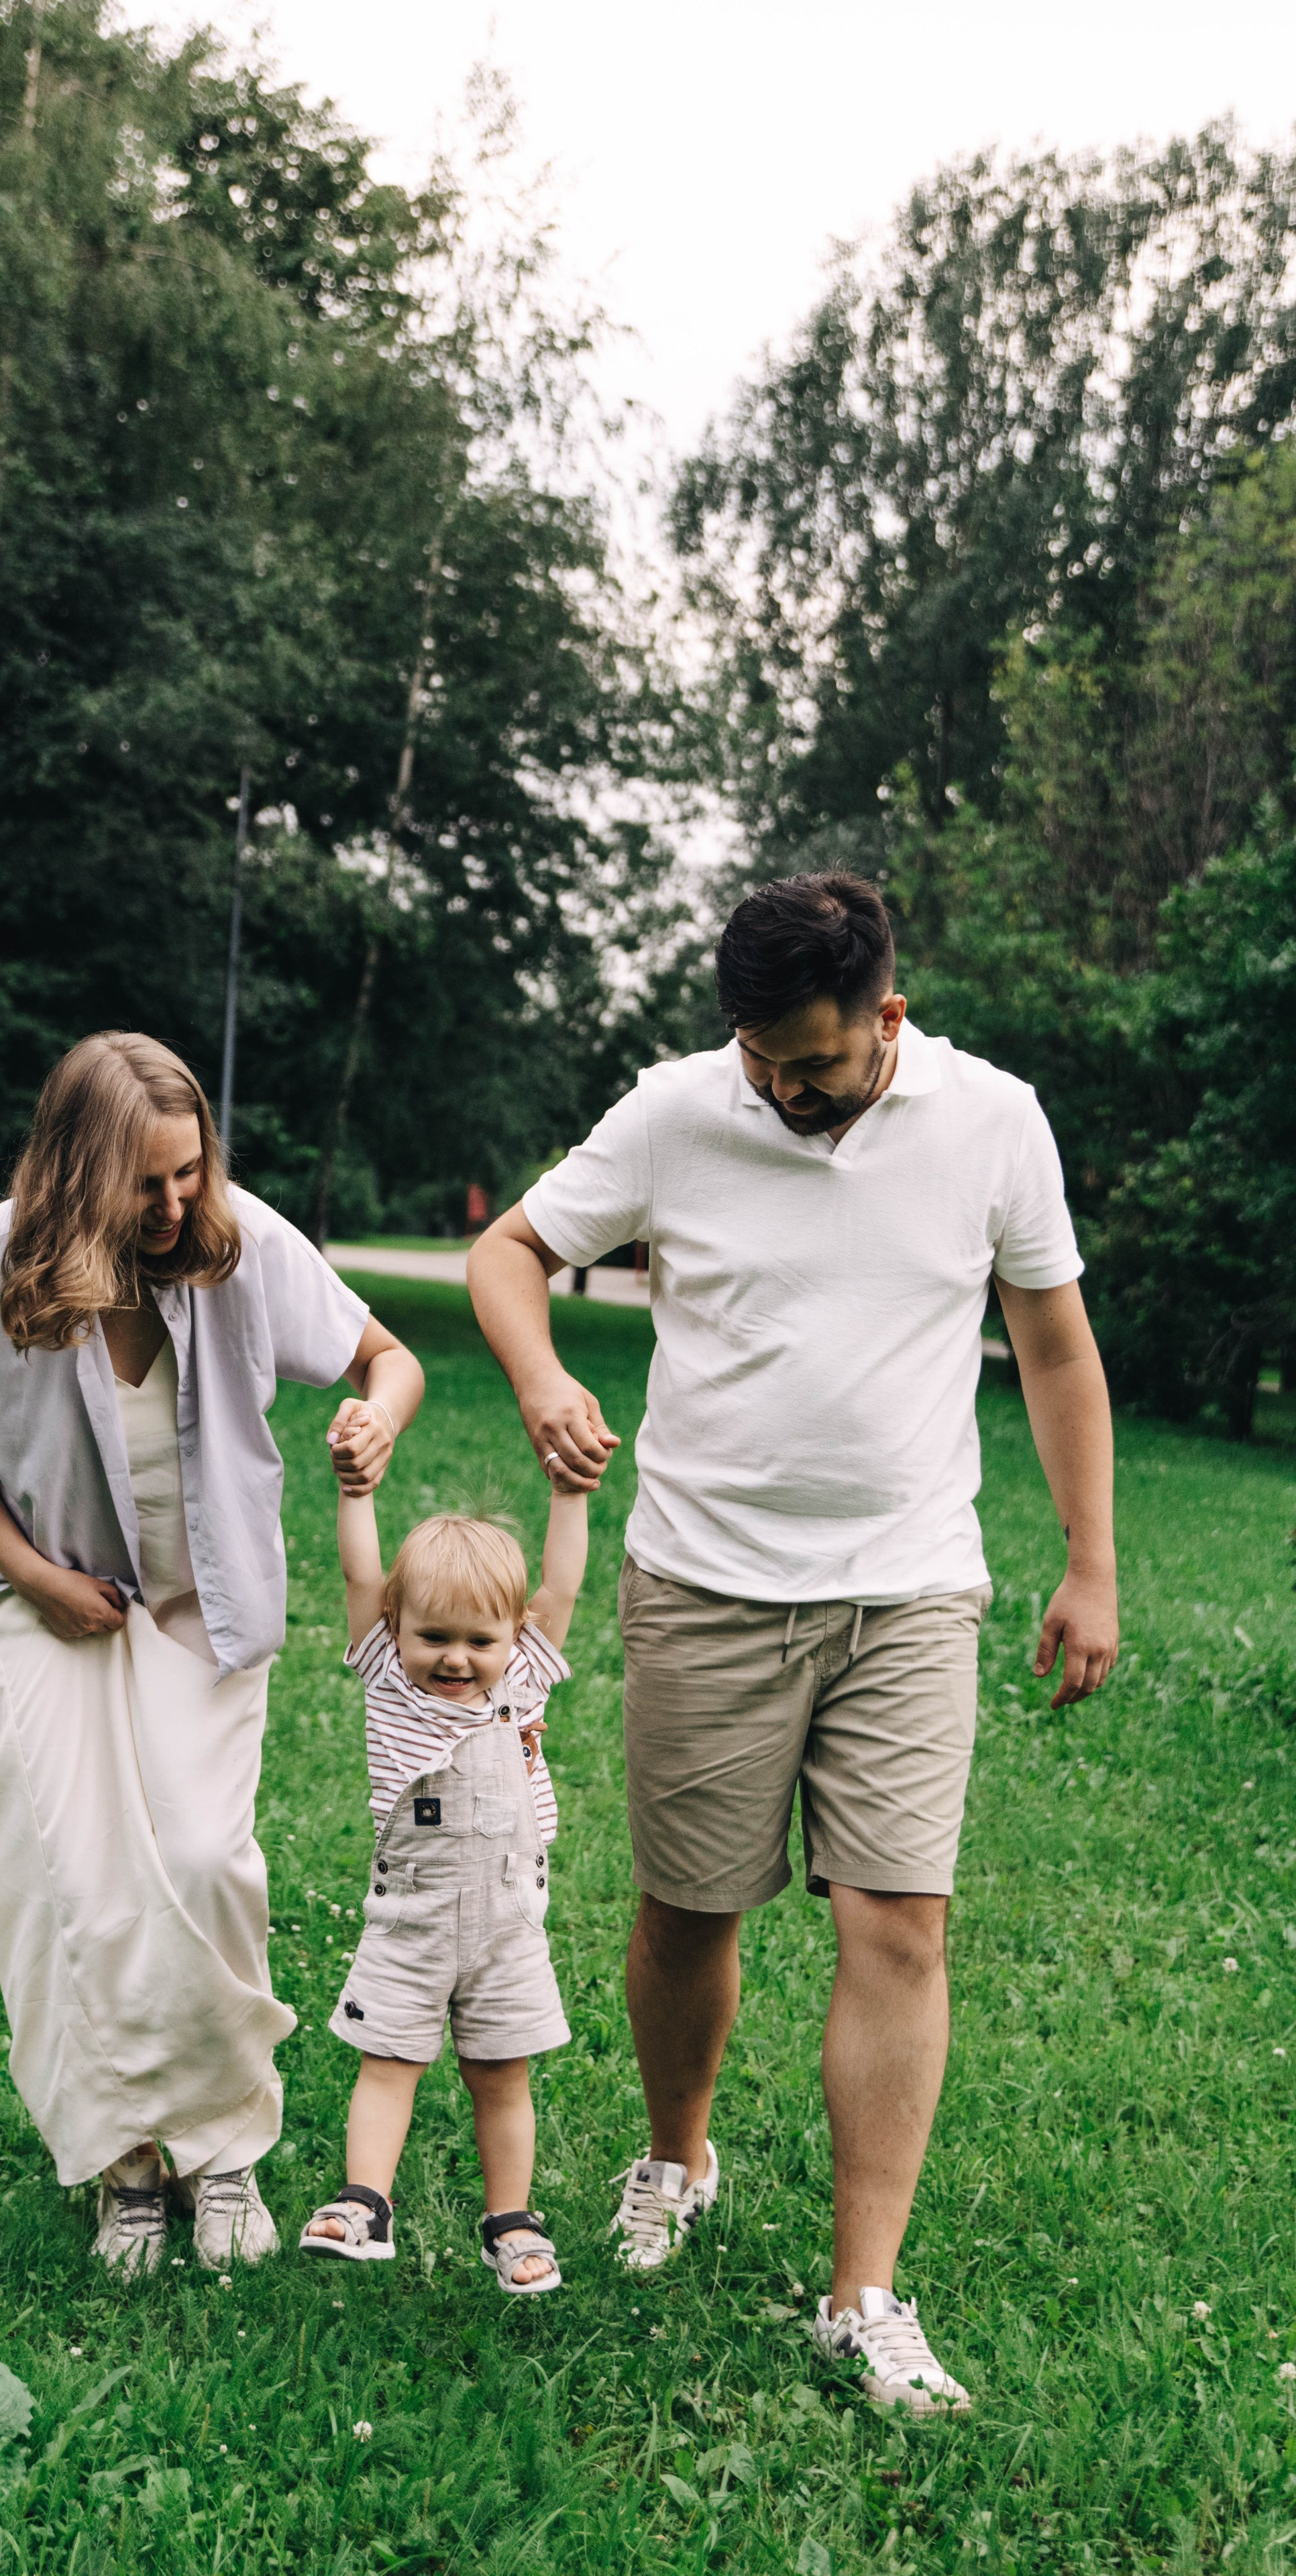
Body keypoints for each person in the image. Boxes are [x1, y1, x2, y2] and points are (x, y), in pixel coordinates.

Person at [467, 873, 1118, 2411]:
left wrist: (1089, 1560)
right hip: (700, 1578)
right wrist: (540, 1378)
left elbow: (1051, 1342)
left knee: (899, 1922)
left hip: (906, 1589)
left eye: (811, 1061)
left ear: (884, 1016)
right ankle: (673, 2152)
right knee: (689, 1911)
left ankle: (861, 2292)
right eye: (756, 1054)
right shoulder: (675, 1109)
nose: (778, 1085)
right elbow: (508, 1252)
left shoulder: (990, 1122)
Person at [0, 1031, 424, 2277]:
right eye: (147, 1183)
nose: (177, 1202)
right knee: (78, 1884)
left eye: (190, 1172)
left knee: (200, 1863)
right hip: (49, 1605)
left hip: (209, 1607)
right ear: (81, 1174)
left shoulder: (239, 1240)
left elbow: (387, 1357)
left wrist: (376, 1424)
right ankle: (127, 2165)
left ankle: (223, 2145)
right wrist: (35, 1576)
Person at [296, 1481, 587, 2294]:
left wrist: (567, 1495)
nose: (455, 1658)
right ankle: (364, 2204)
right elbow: (361, 1578)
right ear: (395, 1631)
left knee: (501, 2075)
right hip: (410, 1924)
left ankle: (511, 2223)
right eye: (432, 1636)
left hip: (507, 1927)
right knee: (386, 2062)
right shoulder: (390, 1680)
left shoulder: (521, 1680)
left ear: (514, 1638)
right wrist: (355, 1492)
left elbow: (559, 1587)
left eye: (478, 1640)